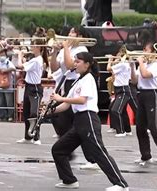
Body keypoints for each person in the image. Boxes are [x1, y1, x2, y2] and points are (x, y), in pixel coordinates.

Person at [50, 52, 129, 191]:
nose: (75, 64)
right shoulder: (77, 81)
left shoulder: (89, 79)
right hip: (79, 121)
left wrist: (61, 98)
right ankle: (69, 180)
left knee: (99, 152)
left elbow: (82, 100)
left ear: (87, 64)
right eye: (75, 61)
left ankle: (121, 184)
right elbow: (67, 105)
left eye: (78, 61)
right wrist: (49, 111)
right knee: (58, 150)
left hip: (88, 119)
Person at [130, 42, 157, 165]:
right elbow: (134, 80)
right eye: (143, 50)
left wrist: (140, 63)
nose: (144, 52)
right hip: (141, 94)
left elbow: (146, 75)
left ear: (153, 52)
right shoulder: (144, 64)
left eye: (146, 50)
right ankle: (145, 155)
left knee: (153, 126)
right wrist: (132, 66)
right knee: (140, 127)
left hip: (153, 94)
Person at [49, 27, 88, 137]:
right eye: (70, 32)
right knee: (56, 110)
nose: (69, 34)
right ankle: (64, 133)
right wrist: (55, 51)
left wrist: (65, 47)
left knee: (67, 113)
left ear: (80, 36)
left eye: (73, 32)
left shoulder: (82, 49)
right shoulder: (64, 50)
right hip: (66, 83)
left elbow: (70, 66)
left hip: (76, 82)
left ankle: (68, 134)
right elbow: (54, 68)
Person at [15, 38, 47, 145]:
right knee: (26, 112)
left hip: (35, 88)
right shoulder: (35, 59)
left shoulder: (37, 60)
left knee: (34, 112)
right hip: (28, 86)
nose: (32, 48)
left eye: (34, 46)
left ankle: (36, 137)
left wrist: (19, 55)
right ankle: (27, 137)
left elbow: (20, 66)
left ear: (39, 48)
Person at [107, 47, 134, 137]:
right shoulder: (123, 64)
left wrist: (110, 60)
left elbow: (108, 68)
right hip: (119, 89)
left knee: (116, 110)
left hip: (123, 90)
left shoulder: (123, 64)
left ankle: (121, 131)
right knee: (122, 110)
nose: (117, 56)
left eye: (119, 55)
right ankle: (128, 130)